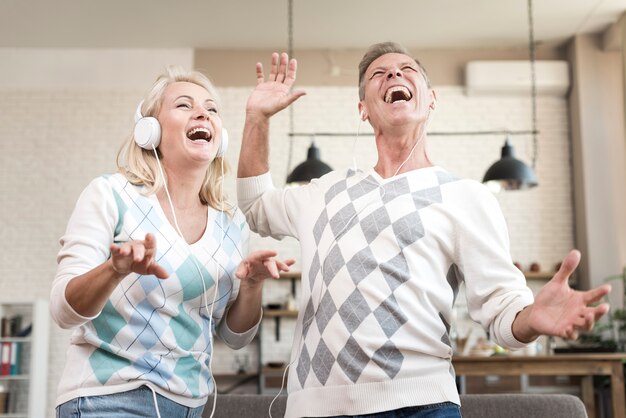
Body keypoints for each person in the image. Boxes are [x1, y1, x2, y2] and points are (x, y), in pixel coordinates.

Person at [236, 44, 611, 418]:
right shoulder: (323, 192)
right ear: (363, 109)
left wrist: (532, 318)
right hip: (314, 409)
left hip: (420, 406)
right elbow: (255, 206)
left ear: (431, 99)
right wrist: (257, 118)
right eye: (378, 75)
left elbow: (501, 308)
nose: (394, 75)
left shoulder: (465, 197)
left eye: (406, 69)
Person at [51, 65, 294, 417]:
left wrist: (253, 285)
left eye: (211, 109)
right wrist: (114, 269)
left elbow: (234, 336)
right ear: (150, 131)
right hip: (108, 399)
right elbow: (63, 310)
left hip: (190, 406)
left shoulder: (231, 222)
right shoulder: (110, 194)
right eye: (184, 105)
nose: (202, 113)